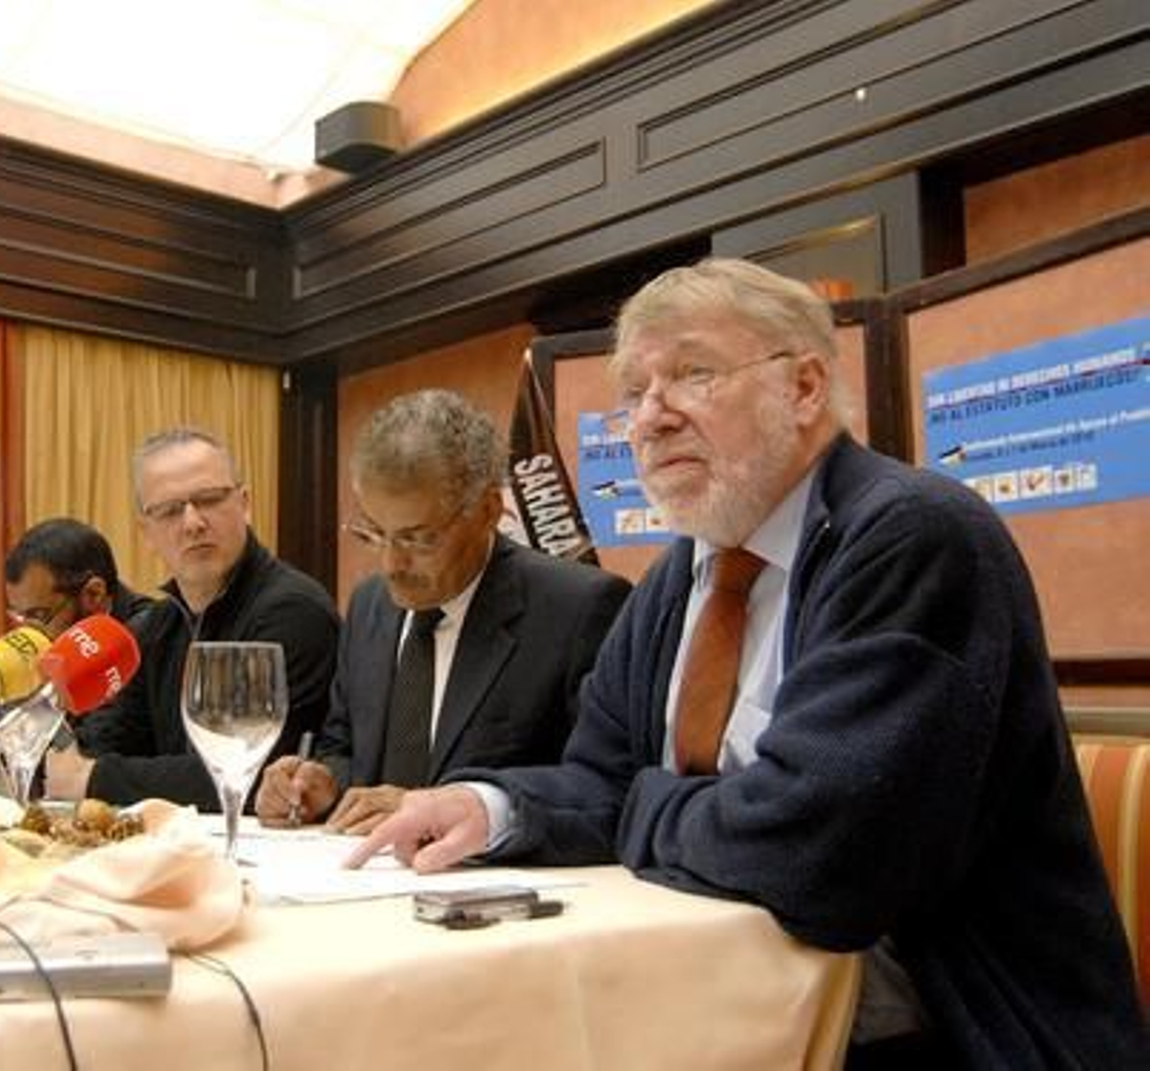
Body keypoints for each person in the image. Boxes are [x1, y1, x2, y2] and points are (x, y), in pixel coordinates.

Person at [349, 259, 1149, 1066]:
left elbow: (822, 857)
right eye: (634, 391)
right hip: (725, 1002)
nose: (648, 419)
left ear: (803, 388)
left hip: (946, 1027)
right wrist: (487, 805)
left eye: (691, 374)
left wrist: (646, 807)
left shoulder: (915, 537)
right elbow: (600, 778)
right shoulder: (678, 575)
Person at [255, 389, 630, 833]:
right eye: (374, 533)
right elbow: (346, 747)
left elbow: (604, 789)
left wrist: (446, 807)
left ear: (489, 510)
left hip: (495, 887)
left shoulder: (578, 608)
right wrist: (321, 782)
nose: (391, 565)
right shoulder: (370, 606)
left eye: (419, 538)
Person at [46, 428, 339, 809]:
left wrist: (94, 779)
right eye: (168, 511)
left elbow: (245, 774)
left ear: (245, 503)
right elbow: (108, 742)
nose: (192, 522)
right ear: (145, 532)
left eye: (209, 500)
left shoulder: (293, 612)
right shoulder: (156, 625)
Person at [1, 517, 156, 641]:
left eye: (39, 616)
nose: (27, 634)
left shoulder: (154, 641)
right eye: (19, 616)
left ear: (94, 594)